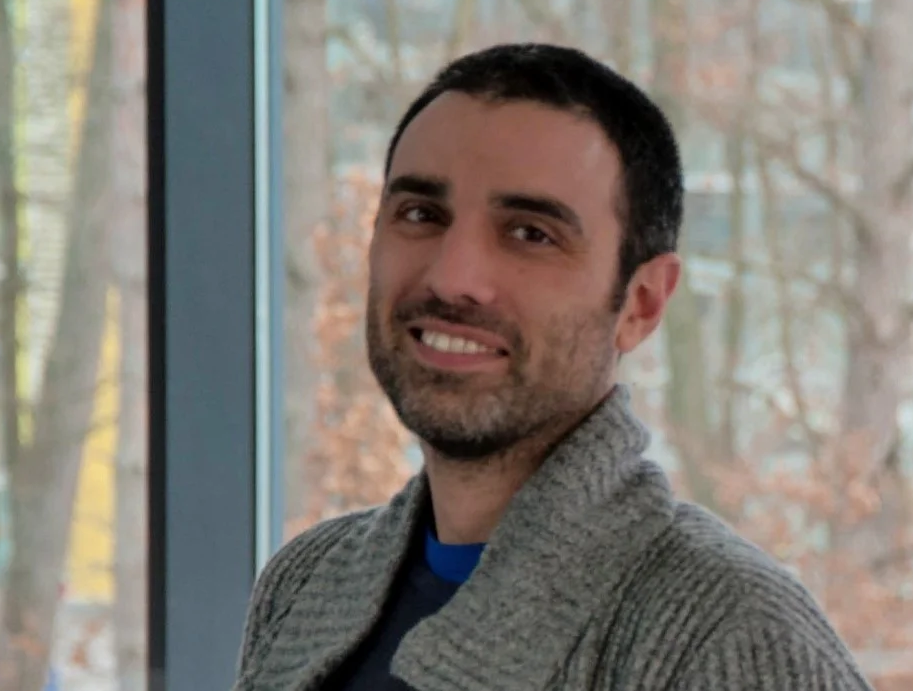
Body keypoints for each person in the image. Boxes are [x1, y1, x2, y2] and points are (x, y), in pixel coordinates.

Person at [233, 43, 873, 691]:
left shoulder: (736, 635)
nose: (452, 277)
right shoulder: (308, 581)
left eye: (530, 233)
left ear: (641, 303)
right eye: (421, 214)